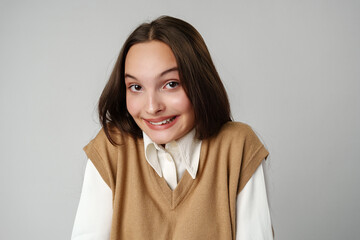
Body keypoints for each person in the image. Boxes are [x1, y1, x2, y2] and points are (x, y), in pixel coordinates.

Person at [71, 16, 273, 240]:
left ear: (199, 83)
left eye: (171, 84)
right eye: (136, 87)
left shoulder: (238, 147)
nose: (152, 107)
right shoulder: (112, 147)